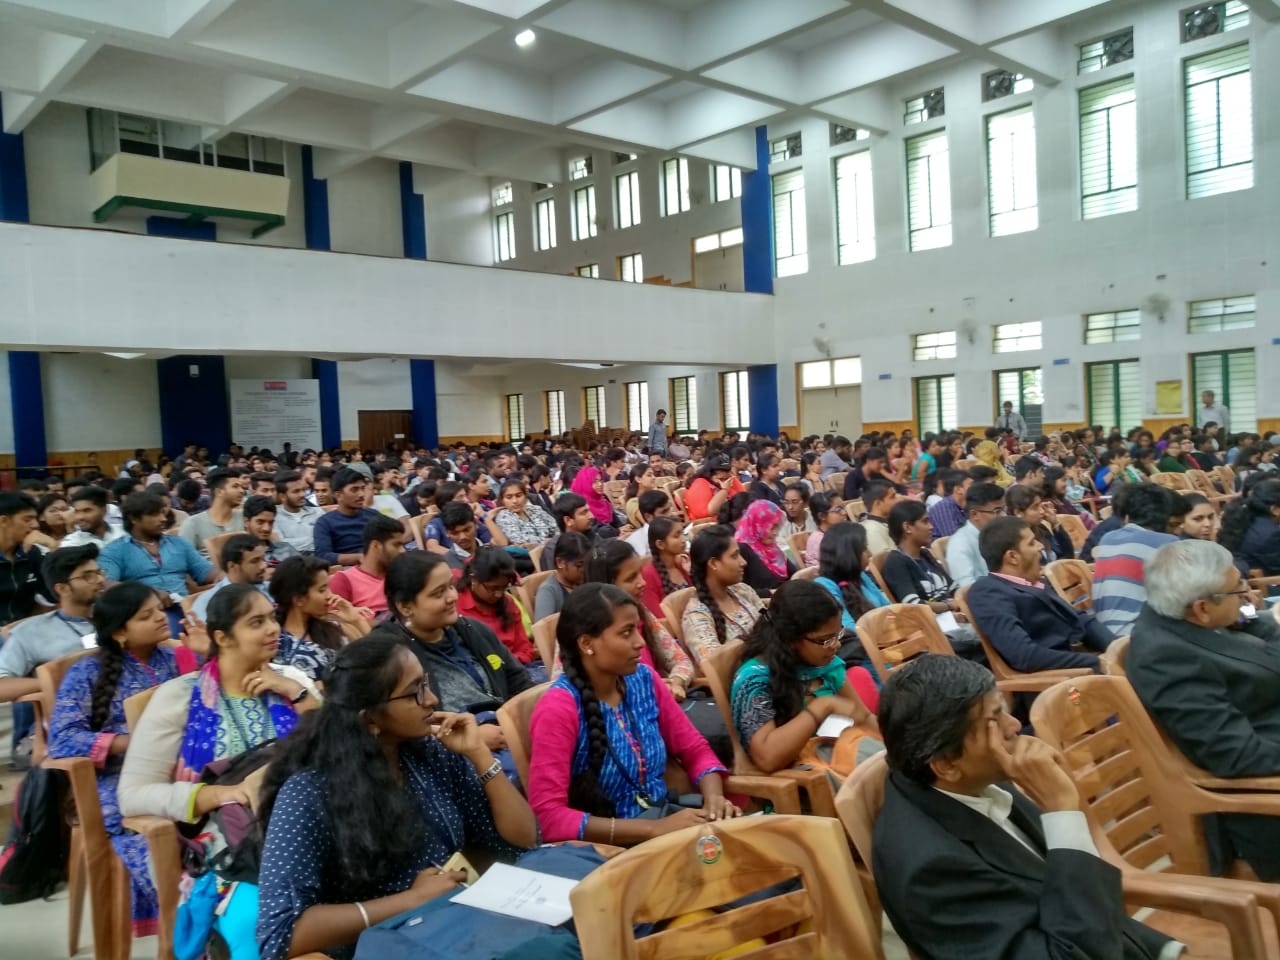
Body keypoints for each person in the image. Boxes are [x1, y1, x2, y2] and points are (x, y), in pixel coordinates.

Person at [873, 654, 1178, 960]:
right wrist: (1062, 810)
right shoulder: (931, 872)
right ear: (947, 764)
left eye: (1003, 709)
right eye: (994, 720)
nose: (1015, 725)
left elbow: (1073, 894)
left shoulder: (975, 779)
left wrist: (1167, 950)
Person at [255, 634, 537, 960]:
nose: (432, 699)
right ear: (370, 719)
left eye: (426, 683)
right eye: (415, 691)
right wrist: (409, 901)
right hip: (381, 946)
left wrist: (480, 756)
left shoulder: (428, 753)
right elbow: (281, 934)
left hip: (454, 927)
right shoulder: (309, 792)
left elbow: (523, 840)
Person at [118, 585, 320, 954]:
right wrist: (224, 793)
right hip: (229, 849)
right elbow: (132, 794)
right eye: (256, 622)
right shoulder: (180, 697)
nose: (273, 629)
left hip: (313, 825)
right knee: (256, 919)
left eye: (272, 618)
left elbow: (339, 748)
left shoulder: (291, 681)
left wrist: (297, 693)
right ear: (222, 638)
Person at [526, 583, 740, 844]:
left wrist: (714, 799)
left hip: (666, 818)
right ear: (587, 644)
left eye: (637, 630)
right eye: (626, 633)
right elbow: (550, 817)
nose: (640, 643)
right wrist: (652, 829)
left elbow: (694, 749)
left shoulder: (643, 679)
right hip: (610, 847)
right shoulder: (559, 708)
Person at [1129, 539, 1280, 880]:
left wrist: (1267, 619)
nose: (1246, 593)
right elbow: (1236, 755)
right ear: (1202, 608)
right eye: (1238, 589)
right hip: (1262, 807)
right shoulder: (1166, 659)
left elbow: (1248, 629)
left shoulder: (1180, 614)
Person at [47, 582, 190, 938]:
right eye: (146, 615)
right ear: (120, 632)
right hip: (118, 776)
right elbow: (62, 738)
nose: (161, 618)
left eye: (159, 609)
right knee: (149, 825)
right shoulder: (87, 673)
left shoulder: (176, 659)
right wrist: (129, 743)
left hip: (181, 767)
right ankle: (185, 918)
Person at [368, 552, 533, 754]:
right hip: (447, 752)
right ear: (405, 606)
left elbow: (519, 683)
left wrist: (515, 723)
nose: (453, 597)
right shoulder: (387, 654)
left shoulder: (473, 631)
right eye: (439, 593)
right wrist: (467, 738)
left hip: (504, 731)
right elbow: (391, 726)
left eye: (451, 586)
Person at [731, 580, 879, 774]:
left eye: (838, 634)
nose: (836, 645)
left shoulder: (826, 665)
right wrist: (822, 706)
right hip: (801, 778)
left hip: (833, 759)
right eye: (825, 640)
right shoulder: (754, 680)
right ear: (791, 639)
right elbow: (767, 758)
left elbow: (863, 717)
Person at [966, 517, 1113, 673]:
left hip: (1083, 659)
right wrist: (1098, 663)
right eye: (1031, 543)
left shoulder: (1034, 581)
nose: (1040, 546)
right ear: (1012, 557)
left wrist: (1115, 647)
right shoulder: (988, 593)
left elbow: (1080, 619)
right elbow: (1024, 655)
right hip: (1062, 677)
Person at [583, 539, 695, 700]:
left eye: (640, 573)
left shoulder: (641, 612)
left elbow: (681, 661)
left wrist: (675, 683)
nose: (642, 583)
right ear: (607, 585)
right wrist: (650, 688)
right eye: (630, 579)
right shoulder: (580, 629)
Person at [0, 545, 104, 705]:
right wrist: (53, 681)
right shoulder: (31, 632)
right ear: (62, 589)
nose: (100, 580)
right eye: (88, 576)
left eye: (99, 572)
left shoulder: (118, 617)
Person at [100, 492, 218, 621]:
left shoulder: (178, 543)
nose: (163, 519)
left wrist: (226, 577)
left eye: (163, 513)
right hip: (147, 614)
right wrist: (148, 593)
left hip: (185, 607)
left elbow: (205, 571)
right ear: (134, 518)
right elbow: (107, 584)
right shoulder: (114, 550)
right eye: (154, 514)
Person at [1091, 485, 1179, 638]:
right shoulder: (1168, 544)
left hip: (1104, 635)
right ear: (1166, 517)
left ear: (1126, 517)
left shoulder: (1108, 538)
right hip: (1135, 637)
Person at [271, 555, 370, 682]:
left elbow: (378, 658)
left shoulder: (336, 627)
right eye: (322, 590)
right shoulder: (277, 643)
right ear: (299, 599)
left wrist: (357, 620)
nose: (330, 595)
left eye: (328, 587)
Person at [683, 525, 764, 664]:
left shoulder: (742, 590)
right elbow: (716, 666)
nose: (743, 562)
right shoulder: (697, 616)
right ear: (714, 563)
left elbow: (770, 624)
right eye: (734, 556)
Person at [456, 546, 541, 673]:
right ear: (473, 579)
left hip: (516, 669)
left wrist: (509, 663)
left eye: (504, 588)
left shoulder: (508, 603)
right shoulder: (456, 607)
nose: (498, 594)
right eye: (492, 588)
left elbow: (524, 649)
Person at [329, 514, 408, 616]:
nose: (402, 551)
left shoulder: (403, 574)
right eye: (396, 545)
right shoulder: (344, 580)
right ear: (376, 545)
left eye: (403, 545)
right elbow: (336, 620)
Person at [191, 534, 270, 622]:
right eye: (255, 561)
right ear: (232, 566)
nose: (263, 566)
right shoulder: (207, 602)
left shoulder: (272, 588)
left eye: (263, 559)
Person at [313, 468, 381, 566]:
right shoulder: (324, 522)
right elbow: (323, 555)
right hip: (347, 568)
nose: (361, 494)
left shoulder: (373, 515)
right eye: (354, 490)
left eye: (363, 488)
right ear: (338, 495)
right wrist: (360, 557)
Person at [0, 492, 45, 628]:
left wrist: (54, 549)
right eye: (27, 520)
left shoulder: (32, 552)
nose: (35, 525)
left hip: (26, 630)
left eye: (35, 519)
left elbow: (53, 596)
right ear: (3, 521)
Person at [178, 469, 246, 559]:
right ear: (219, 492)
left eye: (241, 487)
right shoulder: (193, 523)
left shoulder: (244, 518)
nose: (242, 491)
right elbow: (183, 559)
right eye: (235, 486)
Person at [1219, 477, 1280, 576]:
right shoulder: (1272, 535)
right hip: (1266, 582)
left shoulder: (1245, 519)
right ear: (1275, 510)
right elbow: (1276, 568)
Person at [734, 500, 796, 595]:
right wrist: (772, 592)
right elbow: (739, 591)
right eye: (771, 527)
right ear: (757, 525)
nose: (775, 533)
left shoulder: (771, 547)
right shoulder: (742, 549)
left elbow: (793, 572)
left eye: (777, 527)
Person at [1005, 485, 1073, 566]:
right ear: (1018, 513)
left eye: (1041, 506)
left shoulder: (1041, 529)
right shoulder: (1015, 541)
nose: (1042, 511)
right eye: (1035, 507)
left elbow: (1069, 556)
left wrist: (1055, 524)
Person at [533, 530, 588, 621]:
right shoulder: (548, 591)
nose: (584, 570)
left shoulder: (584, 582)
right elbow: (543, 627)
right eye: (579, 566)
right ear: (560, 562)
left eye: (587, 564)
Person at [489, 478, 558, 549]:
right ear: (502, 500)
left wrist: (553, 541)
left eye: (518, 496)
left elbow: (555, 528)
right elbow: (521, 542)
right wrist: (548, 542)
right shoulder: (504, 517)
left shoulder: (535, 509)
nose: (515, 501)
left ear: (525, 496)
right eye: (509, 497)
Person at [538, 493, 598, 572]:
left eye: (589, 511)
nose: (591, 516)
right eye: (584, 513)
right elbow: (554, 576)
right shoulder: (553, 549)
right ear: (568, 520)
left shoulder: (591, 535)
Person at [642, 515, 691, 607]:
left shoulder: (684, 562)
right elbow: (656, 613)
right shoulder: (648, 575)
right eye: (676, 536)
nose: (683, 540)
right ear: (660, 544)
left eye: (682, 533)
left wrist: (691, 573)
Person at [272, 470, 324, 555]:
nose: (302, 494)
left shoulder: (317, 512)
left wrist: (291, 542)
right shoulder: (274, 517)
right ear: (282, 496)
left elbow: (327, 540)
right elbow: (281, 546)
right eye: (296, 491)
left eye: (303, 490)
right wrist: (314, 539)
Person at [61, 485, 126, 550]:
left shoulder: (124, 532)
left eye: (87, 511)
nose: (80, 517)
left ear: (104, 510)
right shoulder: (71, 542)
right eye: (77, 511)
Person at [569, 466, 623, 537]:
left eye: (601, 480)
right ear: (585, 483)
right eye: (595, 481)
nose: (600, 484)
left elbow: (616, 522)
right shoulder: (580, 504)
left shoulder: (603, 498)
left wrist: (623, 528)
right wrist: (617, 531)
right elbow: (596, 531)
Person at [683, 455, 737, 523]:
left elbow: (741, 498)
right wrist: (724, 490)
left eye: (727, 478)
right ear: (709, 475)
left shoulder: (725, 481)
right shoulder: (699, 483)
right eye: (721, 479)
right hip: (706, 525)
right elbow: (708, 512)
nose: (725, 482)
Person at [623, 489, 673, 558]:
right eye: (664, 512)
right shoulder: (637, 544)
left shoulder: (673, 530)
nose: (670, 514)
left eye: (669, 509)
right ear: (648, 517)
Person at [802, 492, 847, 567]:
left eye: (843, 508)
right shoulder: (819, 541)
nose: (844, 513)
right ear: (822, 516)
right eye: (838, 509)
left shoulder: (840, 531)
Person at [926, 470, 970, 540]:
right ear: (959, 489)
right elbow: (954, 539)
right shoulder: (944, 508)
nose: (975, 488)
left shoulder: (964, 507)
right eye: (971, 484)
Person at [860, 479, 897, 557]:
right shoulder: (871, 530)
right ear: (878, 503)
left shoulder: (895, 520)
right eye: (892, 497)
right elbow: (888, 561)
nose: (897, 501)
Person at [778, 484, 815, 549]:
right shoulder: (781, 522)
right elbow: (781, 546)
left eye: (795, 502)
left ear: (806, 503)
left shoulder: (815, 519)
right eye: (786, 502)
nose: (790, 507)